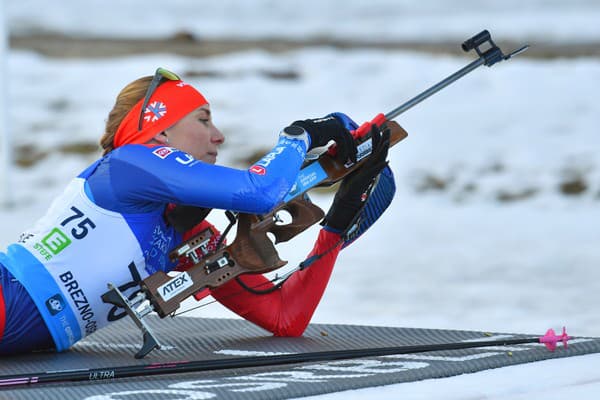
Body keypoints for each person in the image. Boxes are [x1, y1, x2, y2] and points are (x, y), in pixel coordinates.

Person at [0, 68, 391, 355]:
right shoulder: (129, 163)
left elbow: (284, 316)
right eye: (203, 120)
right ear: (160, 133)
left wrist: (338, 222)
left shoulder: (187, 231)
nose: (218, 135)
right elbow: (258, 192)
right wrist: (300, 135)